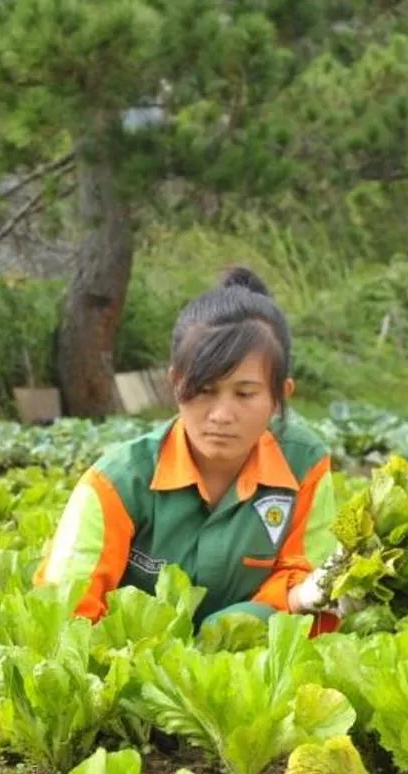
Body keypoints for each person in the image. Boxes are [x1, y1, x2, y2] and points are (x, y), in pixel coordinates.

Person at [37, 268, 340, 631]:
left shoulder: (304, 463)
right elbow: (63, 610)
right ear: (175, 384)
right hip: (130, 665)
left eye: (245, 394)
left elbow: (308, 589)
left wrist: (247, 619)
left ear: (280, 396)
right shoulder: (116, 481)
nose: (222, 415)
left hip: (250, 668)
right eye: (204, 390)